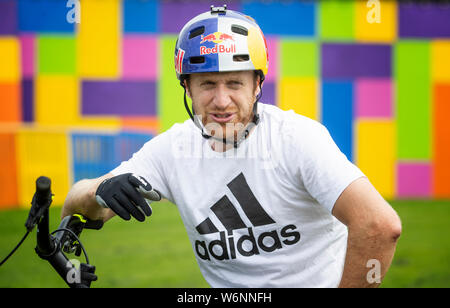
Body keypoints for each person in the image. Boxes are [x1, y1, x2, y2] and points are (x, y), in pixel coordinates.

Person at [62, 6, 401, 288]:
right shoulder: (171, 150)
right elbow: (77, 204)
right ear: (188, 88)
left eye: (235, 83)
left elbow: (379, 225)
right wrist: (99, 191)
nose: (221, 101)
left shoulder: (297, 139)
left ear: (257, 85)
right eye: (207, 83)